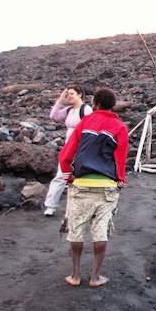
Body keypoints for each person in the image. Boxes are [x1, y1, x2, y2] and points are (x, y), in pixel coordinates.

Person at [58, 88, 128, 287]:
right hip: (106, 187)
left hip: (81, 184)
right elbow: (120, 159)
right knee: (101, 231)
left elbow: (66, 154)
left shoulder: (84, 123)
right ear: (112, 105)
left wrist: (67, 176)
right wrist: (120, 180)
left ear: (95, 104)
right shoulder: (119, 127)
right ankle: (96, 277)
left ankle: (75, 276)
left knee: (76, 230)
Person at [44, 85, 93, 216]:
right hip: (68, 147)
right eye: (68, 94)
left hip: (82, 147)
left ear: (80, 95)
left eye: (72, 93)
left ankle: (83, 208)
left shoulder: (86, 109)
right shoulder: (69, 110)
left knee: (81, 177)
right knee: (61, 176)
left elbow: (91, 128)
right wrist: (60, 100)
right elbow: (53, 116)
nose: (69, 96)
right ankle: (50, 206)